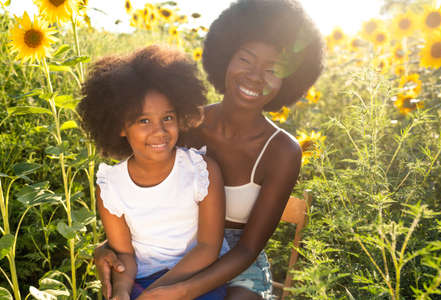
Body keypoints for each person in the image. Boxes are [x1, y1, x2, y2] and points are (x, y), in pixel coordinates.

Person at [94, 0, 324, 299]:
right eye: (246, 59)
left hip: (238, 263)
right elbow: (144, 198)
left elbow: (248, 249)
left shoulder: (282, 152)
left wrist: (181, 291)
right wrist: (105, 248)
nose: (255, 75)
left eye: (272, 69)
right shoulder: (183, 123)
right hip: (171, 256)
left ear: (290, 79)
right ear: (225, 57)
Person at [78, 45, 228, 300]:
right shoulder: (111, 186)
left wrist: (157, 293)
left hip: (200, 277)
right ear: (120, 126)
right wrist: (123, 291)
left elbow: (208, 248)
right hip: (143, 278)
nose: (159, 131)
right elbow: (125, 254)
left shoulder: (201, 172)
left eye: (168, 118)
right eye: (144, 121)